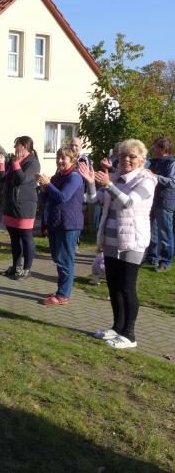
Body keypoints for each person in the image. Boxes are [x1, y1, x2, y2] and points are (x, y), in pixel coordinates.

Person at [80, 139, 156, 349]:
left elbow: (128, 202)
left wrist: (108, 185)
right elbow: (94, 199)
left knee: (126, 287)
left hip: (132, 242)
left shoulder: (146, 181)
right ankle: (117, 328)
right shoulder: (115, 178)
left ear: (142, 159)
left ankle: (129, 335)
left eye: (132, 156)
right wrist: (92, 182)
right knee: (113, 286)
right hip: (111, 241)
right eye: (123, 155)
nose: (126, 159)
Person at [36, 146, 84, 304]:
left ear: (72, 160)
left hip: (69, 225)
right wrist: (43, 187)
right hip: (55, 223)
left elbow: (63, 197)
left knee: (65, 260)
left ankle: (63, 295)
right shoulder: (57, 176)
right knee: (58, 258)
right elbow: (46, 199)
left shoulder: (74, 177)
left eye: (63, 158)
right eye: (58, 158)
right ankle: (61, 290)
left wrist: (48, 185)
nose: (60, 161)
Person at [0, 136, 40, 280]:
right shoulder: (14, 161)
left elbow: (22, 179)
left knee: (26, 238)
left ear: (24, 147)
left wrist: (15, 163)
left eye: (17, 146)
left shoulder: (33, 163)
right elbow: (2, 179)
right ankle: (16, 267)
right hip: (11, 206)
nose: (14, 148)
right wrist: (1, 162)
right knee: (14, 239)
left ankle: (27, 269)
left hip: (24, 207)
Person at [146, 137, 175, 272]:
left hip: (166, 201)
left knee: (165, 232)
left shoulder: (172, 162)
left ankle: (165, 261)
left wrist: (154, 176)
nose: (154, 149)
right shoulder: (156, 161)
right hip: (154, 200)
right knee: (152, 230)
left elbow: (172, 182)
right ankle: (152, 257)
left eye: (156, 147)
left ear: (163, 148)